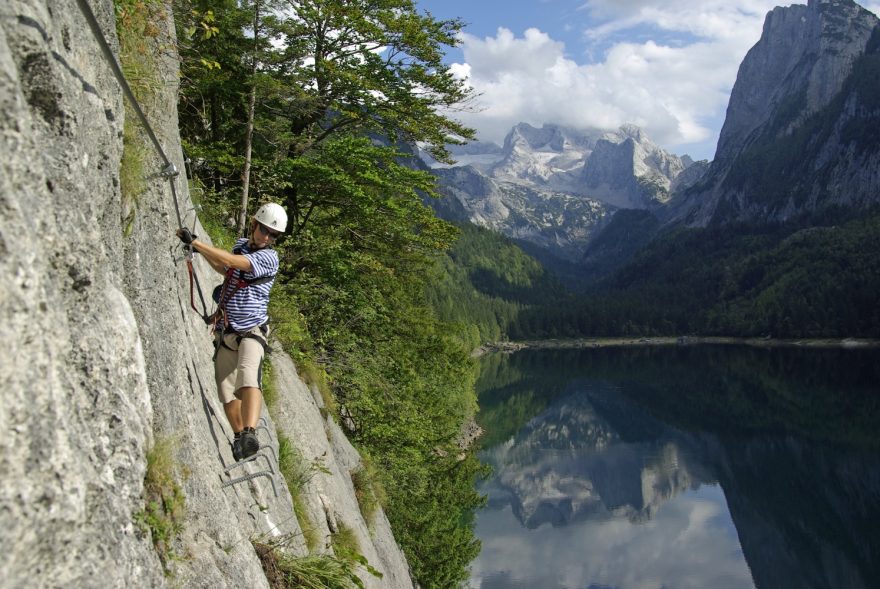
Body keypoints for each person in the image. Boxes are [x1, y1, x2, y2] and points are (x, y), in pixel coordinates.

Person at [177, 203, 287, 460]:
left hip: (252, 329)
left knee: (248, 376)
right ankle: (240, 438)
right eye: (264, 230)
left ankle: (250, 432)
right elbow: (227, 269)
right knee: (226, 390)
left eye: (273, 235)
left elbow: (231, 261)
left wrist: (197, 243)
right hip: (227, 329)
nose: (267, 237)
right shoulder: (242, 245)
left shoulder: (270, 258)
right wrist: (199, 250)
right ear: (254, 224)